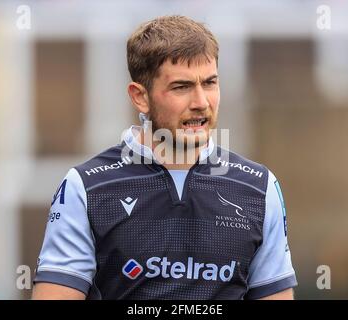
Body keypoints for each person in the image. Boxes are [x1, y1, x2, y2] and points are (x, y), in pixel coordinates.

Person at [32, 15, 297, 300]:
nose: (201, 103)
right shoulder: (84, 188)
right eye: (181, 87)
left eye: (209, 83)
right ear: (140, 97)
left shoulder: (259, 188)